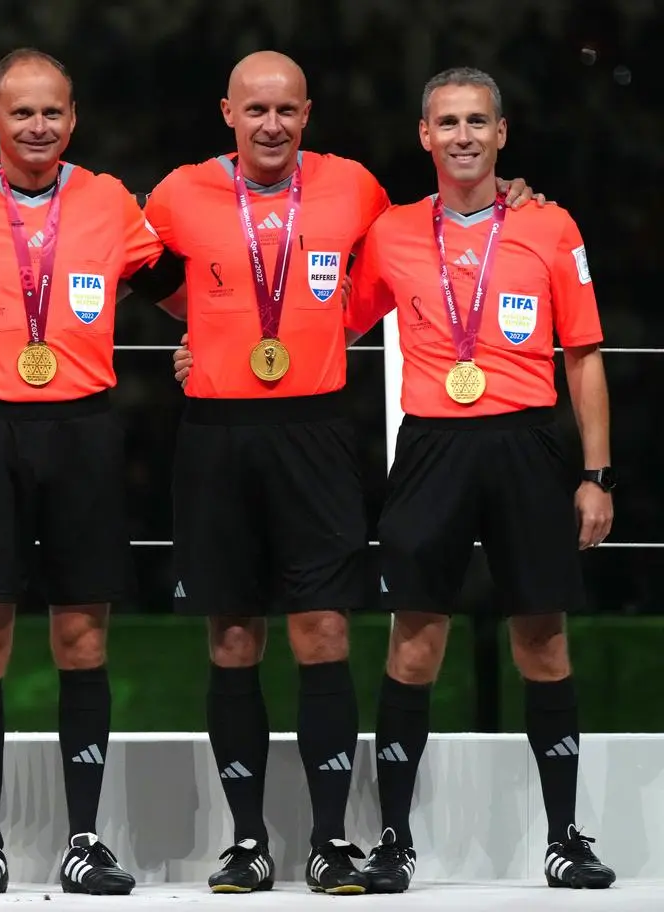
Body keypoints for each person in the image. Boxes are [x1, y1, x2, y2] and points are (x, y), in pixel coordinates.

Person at [143, 51, 538, 895]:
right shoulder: (178, 193)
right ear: (228, 113)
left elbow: (433, 234)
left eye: (286, 109)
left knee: (321, 632)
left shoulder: (354, 187)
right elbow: (147, 273)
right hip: (215, 436)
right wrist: (205, 338)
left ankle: (328, 841)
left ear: (308, 113)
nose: (272, 125)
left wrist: (513, 196)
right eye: (256, 110)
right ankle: (247, 842)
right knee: (234, 638)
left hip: (316, 433)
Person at [0, 48, 182, 896]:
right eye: (21, 113)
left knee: (82, 637)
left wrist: (216, 339)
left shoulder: (110, 201)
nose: (38, 127)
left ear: (73, 117)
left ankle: (83, 841)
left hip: (85, 431)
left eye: (52, 111)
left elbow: (177, 283)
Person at [338, 66, 617, 893]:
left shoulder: (552, 226)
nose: (462, 136)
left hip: (529, 445)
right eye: (447, 122)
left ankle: (564, 837)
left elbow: (585, 357)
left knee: (543, 640)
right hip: (429, 447)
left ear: (502, 134)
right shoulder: (389, 232)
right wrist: (211, 347)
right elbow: (333, 320)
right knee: (415, 643)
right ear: (424, 136)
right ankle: (393, 841)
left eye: (477, 122)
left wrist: (596, 474)